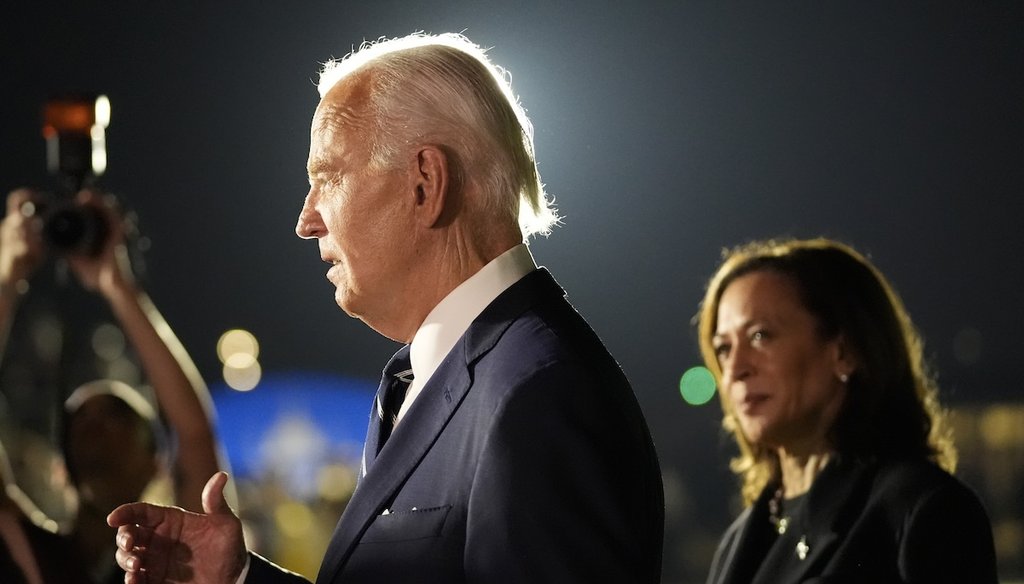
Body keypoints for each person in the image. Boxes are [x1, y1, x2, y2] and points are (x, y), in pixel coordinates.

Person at [108, 32, 665, 583]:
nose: (306, 221)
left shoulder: (538, 393)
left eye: (327, 177)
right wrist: (238, 578)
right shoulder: (441, 375)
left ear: (426, 182)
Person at [696, 237, 998, 584]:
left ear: (845, 351)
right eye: (723, 348)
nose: (735, 369)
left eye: (761, 336)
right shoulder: (737, 542)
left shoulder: (925, 510)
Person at [0, 187, 229, 583]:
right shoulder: (39, 556)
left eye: (119, 418)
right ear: (60, 469)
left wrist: (118, 286)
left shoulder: (181, 556)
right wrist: (7, 273)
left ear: (157, 459)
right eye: (81, 422)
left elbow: (194, 435)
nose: (97, 429)